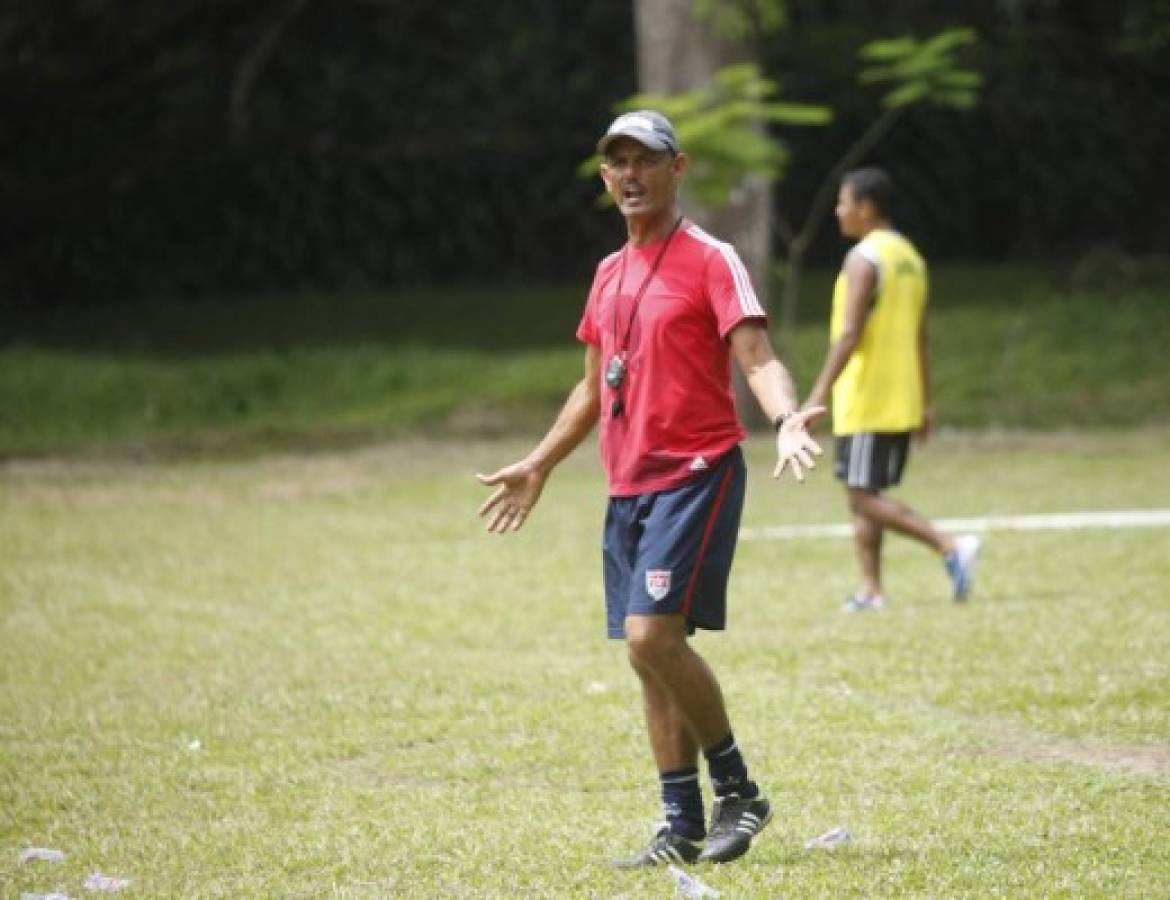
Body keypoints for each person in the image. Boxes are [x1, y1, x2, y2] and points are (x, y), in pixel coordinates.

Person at [476, 110, 822, 867]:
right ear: (605, 177)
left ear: (678, 168)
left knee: (651, 635)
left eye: (645, 160)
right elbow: (595, 388)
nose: (629, 175)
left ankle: (739, 791)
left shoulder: (710, 258)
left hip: (696, 472)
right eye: (616, 163)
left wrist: (787, 418)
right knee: (647, 655)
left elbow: (756, 355)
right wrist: (538, 463)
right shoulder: (608, 274)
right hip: (627, 484)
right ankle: (680, 822)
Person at [803, 167, 980, 612]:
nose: (838, 211)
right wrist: (926, 401)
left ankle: (950, 546)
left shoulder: (865, 259)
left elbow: (849, 333)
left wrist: (818, 393)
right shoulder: (910, 258)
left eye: (844, 202)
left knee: (862, 496)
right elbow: (922, 337)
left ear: (866, 208)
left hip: (867, 395)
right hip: (901, 395)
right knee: (864, 492)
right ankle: (870, 590)